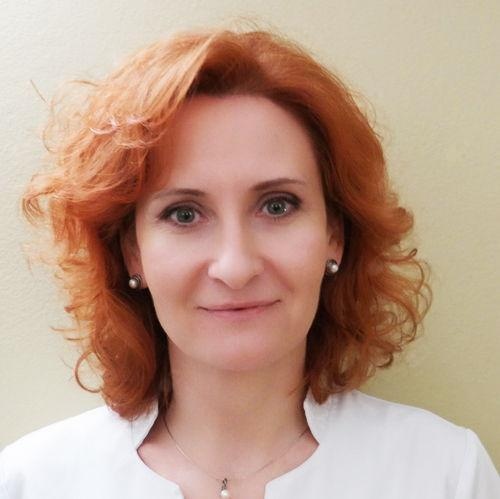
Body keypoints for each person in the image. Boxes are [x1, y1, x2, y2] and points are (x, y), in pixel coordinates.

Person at [1, 25, 498, 499]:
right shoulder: (32, 483)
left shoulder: (445, 474)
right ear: (133, 251)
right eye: (184, 213)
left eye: (277, 206)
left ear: (335, 235)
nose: (235, 267)